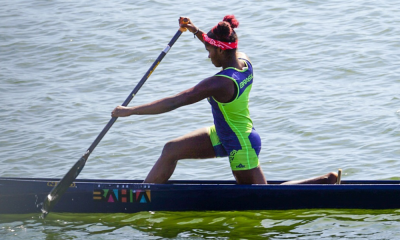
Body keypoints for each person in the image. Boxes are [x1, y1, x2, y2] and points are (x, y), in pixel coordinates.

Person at [112, 15, 338, 185]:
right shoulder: (243, 60)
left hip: (241, 143)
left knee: (263, 198)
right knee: (171, 149)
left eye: (209, 50)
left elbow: (175, 102)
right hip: (226, 132)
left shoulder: (219, 83)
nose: (207, 53)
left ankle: (324, 181)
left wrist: (130, 111)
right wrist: (195, 30)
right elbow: (219, 46)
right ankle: (143, 197)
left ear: (220, 52)